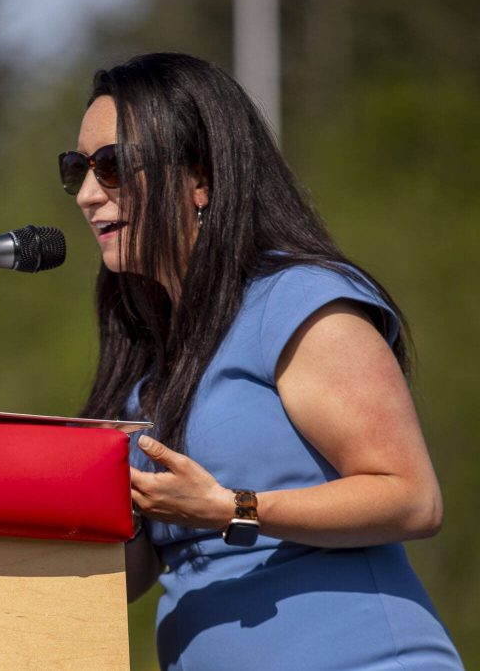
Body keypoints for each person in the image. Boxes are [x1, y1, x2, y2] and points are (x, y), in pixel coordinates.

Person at [59, 53, 463, 670]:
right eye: (77, 170)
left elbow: (411, 499)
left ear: (201, 178)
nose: (88, 195)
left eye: (112, 167)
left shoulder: (297, 301)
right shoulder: (145, 370)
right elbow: (131, 577)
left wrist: (234, 509)